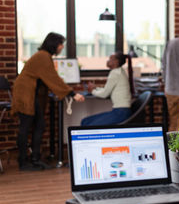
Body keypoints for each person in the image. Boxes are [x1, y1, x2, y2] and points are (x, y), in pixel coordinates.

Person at [11, 32, 85, 171]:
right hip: (26, 94)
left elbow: (48, 78)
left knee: (38, 125)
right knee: (27, 127)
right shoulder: (43, 56)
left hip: (31, 93)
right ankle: (24, 162)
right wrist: (72, 93)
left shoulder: (44, 56)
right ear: (54, 44)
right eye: (60, 44)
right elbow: (53, 78)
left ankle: (34, 159)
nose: (62, 47)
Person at [81, 51, 132, 126]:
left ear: (116, 61)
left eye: (110, 59)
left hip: (120, 112)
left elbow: (104, 94)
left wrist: (92, 91)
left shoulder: (115, 73)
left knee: (87, 125)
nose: (107, 61)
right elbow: (107, 90)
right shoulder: (120, 71)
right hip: (122, 111)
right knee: (85, 122)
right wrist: (95, 88)